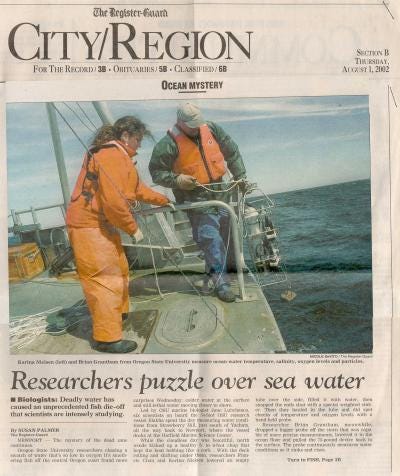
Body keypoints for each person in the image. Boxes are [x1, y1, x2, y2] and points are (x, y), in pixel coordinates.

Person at [66, 116, 170, 353]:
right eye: (137, 139)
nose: (139, 144)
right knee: (104, 279)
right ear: (125, 137)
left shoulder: (120, 157)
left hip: (102, 225)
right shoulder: (111, 155)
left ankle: (118, 315)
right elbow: (114, 203)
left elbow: (137, 189)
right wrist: (133, 229)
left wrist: (163, 200)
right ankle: (107, 338)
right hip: (88, 227)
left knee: (120, 269)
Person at [149, 103, 248, 302]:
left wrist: (241, 175)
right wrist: (177, 180)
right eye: (192, 124)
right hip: (196, 198)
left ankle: (222, 273)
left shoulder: (211, 129)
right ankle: (222, 284)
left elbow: (232, 151)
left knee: (228, 237)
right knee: (211, 239)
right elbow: (156, 172)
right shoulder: (167, 144)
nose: (196, 127)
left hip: (222, 192)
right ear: (180, 122)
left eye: (198, 123)